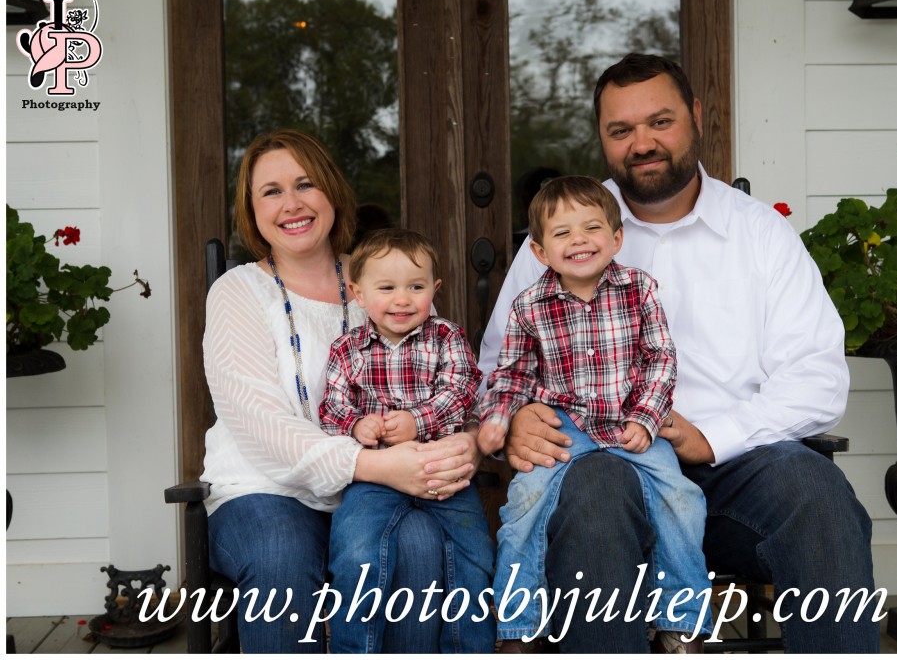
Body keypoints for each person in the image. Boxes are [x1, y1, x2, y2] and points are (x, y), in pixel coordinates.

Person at [478, 54, 878, 653]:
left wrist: (713, 437)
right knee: (595, 489)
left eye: (659, 121)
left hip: (736, 468)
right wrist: (513, 422)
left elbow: (817, 378)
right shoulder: (567, 235)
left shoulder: (759, 232)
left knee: (816, 492)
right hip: (603, 455)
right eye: (621, 131)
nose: (642, 143)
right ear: (604, 141)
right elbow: (495, 368)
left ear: (695, 116)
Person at [201, 129, 478, 653]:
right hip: (265, 491)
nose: (292, 204)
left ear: (331, 191)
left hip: (382, 487)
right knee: (282, 553)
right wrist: (373, 464)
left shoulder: (387, 278)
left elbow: (445, 378)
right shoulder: (238, 291)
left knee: (417, 546)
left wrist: (463, 440)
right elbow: (259, 422)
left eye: (305, 184)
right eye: (271, 191)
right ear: (252, 210)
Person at [476, 175, 711, 651]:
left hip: (630, 425)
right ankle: (520, 625)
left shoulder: (640, 290)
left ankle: (680, 619)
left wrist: (646, 418)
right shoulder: (529, 307)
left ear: (616, 238)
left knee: (683, 501)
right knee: (523, 505)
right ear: (540, 252)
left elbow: (660, 359)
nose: (579, 240)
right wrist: (499, 419)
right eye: (562, 233)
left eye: (591, 227)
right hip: (565, 428)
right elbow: (513, 373)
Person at [319, 228, 496, 653]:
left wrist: (417, 422)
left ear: (433, 290)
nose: (402, 299)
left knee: (475, 558)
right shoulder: (347, 350)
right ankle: (355, 648)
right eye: (387, 288)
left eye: (415, 287)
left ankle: (468, 648)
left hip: (446, 475)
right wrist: (358, 425)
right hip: (375, 481)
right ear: (358, 293)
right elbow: (331, 408)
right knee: (355, 551)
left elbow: (463, 391)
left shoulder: (447, 338)